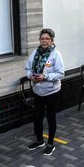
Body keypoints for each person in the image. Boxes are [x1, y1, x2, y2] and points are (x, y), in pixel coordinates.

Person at [25, 28, 64, 156]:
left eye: (47, 39)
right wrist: (31, 76)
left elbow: (60, 73)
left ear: (52, 40)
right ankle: (40, 140)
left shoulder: (56, 54)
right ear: (39, 40)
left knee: (51, 118)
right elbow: (28, 68)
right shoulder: (35, 53)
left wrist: (45, 76)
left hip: (52, 92)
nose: (44, 41)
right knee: (37, 118)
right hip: (38, 91)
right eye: (42, 38)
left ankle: (50, 144)